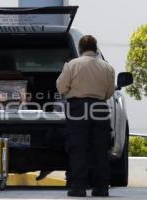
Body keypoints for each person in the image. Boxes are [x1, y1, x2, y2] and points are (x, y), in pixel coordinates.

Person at [56, 35, 115, 197]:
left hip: (78, 108)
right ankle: (102, 188)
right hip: (99, 108)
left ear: (80, 49)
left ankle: (78, 188)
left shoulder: (71, 65)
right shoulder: (107, 68)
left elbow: (61, 87)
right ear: (95, 48)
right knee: (100, 148)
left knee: (78, 148)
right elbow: (109, 92)